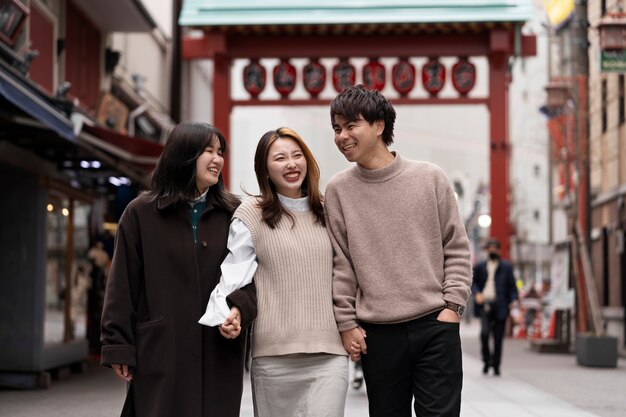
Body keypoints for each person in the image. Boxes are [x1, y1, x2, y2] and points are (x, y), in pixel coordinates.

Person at [324, 85, 472, 417]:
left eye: (351, 125)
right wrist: (346, 323)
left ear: (379, 126)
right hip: (377, 333)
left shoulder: (430, 178)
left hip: (435, 324)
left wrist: (453, 307)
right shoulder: (338, 190)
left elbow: (457, 247)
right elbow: (342, 264)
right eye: (336, 128)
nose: (342, 136)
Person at [100, 122, 257, 417]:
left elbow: (251, 276)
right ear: (184, 154)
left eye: (220, 151)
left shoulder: (234, 212)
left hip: (218, 349)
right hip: (161, 349)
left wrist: (240, 311)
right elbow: (122, 285)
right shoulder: (141, 213)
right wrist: (117, 345)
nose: (217, 159)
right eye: (208, 151)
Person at [201, 127, 348, 417]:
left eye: (297, 156)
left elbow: (346, 272)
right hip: (273, 358)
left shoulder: (329, 210)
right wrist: (227, 312)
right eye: (280, 158)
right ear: (265, 170)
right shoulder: (250, 215)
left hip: (329, 354)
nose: (291, 164)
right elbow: (234, 274)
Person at [471, 238, 518, 376]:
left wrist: (513, 299)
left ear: (498, 249)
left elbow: (513, 287)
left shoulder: (506, 267)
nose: (492, 250)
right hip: (485, 304)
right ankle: (486, 361)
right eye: (490, 248)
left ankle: (496, 365)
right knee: (484, 334)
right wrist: (477, 293)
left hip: (501, 305)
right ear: (487, 250)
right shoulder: (480, 267)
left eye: (495, 248)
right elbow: (473, 283)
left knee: (498, 338)